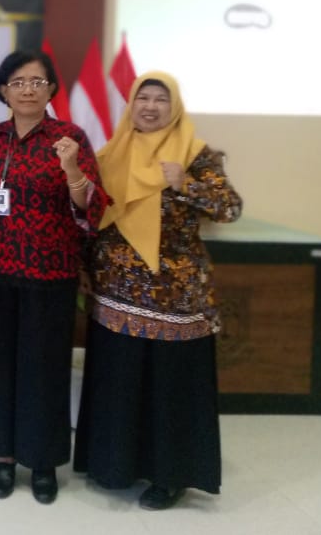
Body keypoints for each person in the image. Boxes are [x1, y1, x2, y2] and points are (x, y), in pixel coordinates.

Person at [74, 71, 242, 510]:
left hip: (175, 298)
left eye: (160, 100)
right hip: (115, 294)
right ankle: (114, 465)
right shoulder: (111, 153)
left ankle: (169, 477)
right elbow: (93, 218)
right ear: (131, 104)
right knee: (120, 383)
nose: (149, 107)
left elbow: (230, 208)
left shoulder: (195, 154)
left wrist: (185, 184)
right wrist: (84, 266)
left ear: (175, 107)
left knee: (169, 390)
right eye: (142, 98)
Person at [0, 48, 106, 504]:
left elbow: (91, 209)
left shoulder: (70, 139)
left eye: (37, 82)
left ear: (51, 89)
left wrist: (72, 169)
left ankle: (42, 462)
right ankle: (2, 457)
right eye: (17, 82)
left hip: (49, 276)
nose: (27, 90)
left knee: (44, 371)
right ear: (3, 90)